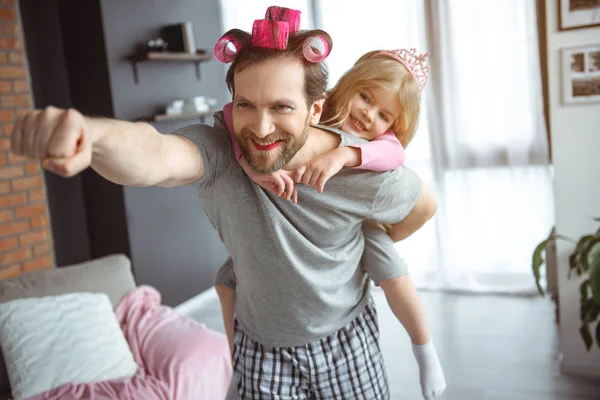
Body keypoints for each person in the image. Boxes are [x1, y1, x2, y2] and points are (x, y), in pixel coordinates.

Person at [10, 6, 437, 399]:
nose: (262, 126)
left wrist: (365, 244)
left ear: (314, 109)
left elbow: (422, 206)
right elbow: (155, 153)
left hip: (346, 338)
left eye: (282, 107)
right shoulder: (219, 150)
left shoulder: (366, 175)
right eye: (247, 104)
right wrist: (91, 133)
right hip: (260, 345)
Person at [217, 43, 446, 399]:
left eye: (385, 116)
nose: (370, 116)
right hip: (284, 243)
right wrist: (247, 164)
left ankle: (425, 349)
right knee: (227, 278)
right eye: (365, 97)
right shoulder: (313, 112)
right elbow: (230, 112)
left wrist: (345, 155)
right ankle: (238, 366)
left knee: (392, 271)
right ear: (347, 84)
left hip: (355, 232)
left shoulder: (374, 145)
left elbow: (394, 152)